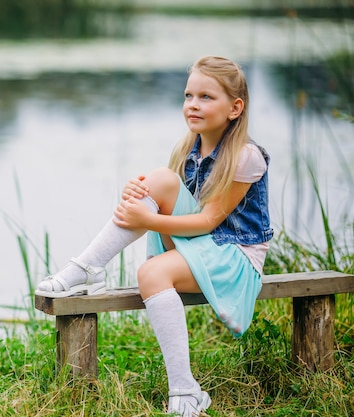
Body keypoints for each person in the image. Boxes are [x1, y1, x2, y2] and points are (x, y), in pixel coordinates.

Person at [35, 56, 273, 417]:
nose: (193, 104)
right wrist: (140, 191)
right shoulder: (187, 149)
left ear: (235, 108)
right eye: (188, 95)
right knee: (159, 178)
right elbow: (173, 201)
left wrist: (148, 217)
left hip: (236, 259)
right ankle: (88, 267)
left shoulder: (245, 156)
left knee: (151, 273)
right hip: (204, 247)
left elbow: (209, 221)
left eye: (207, 97)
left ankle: (185, 390)